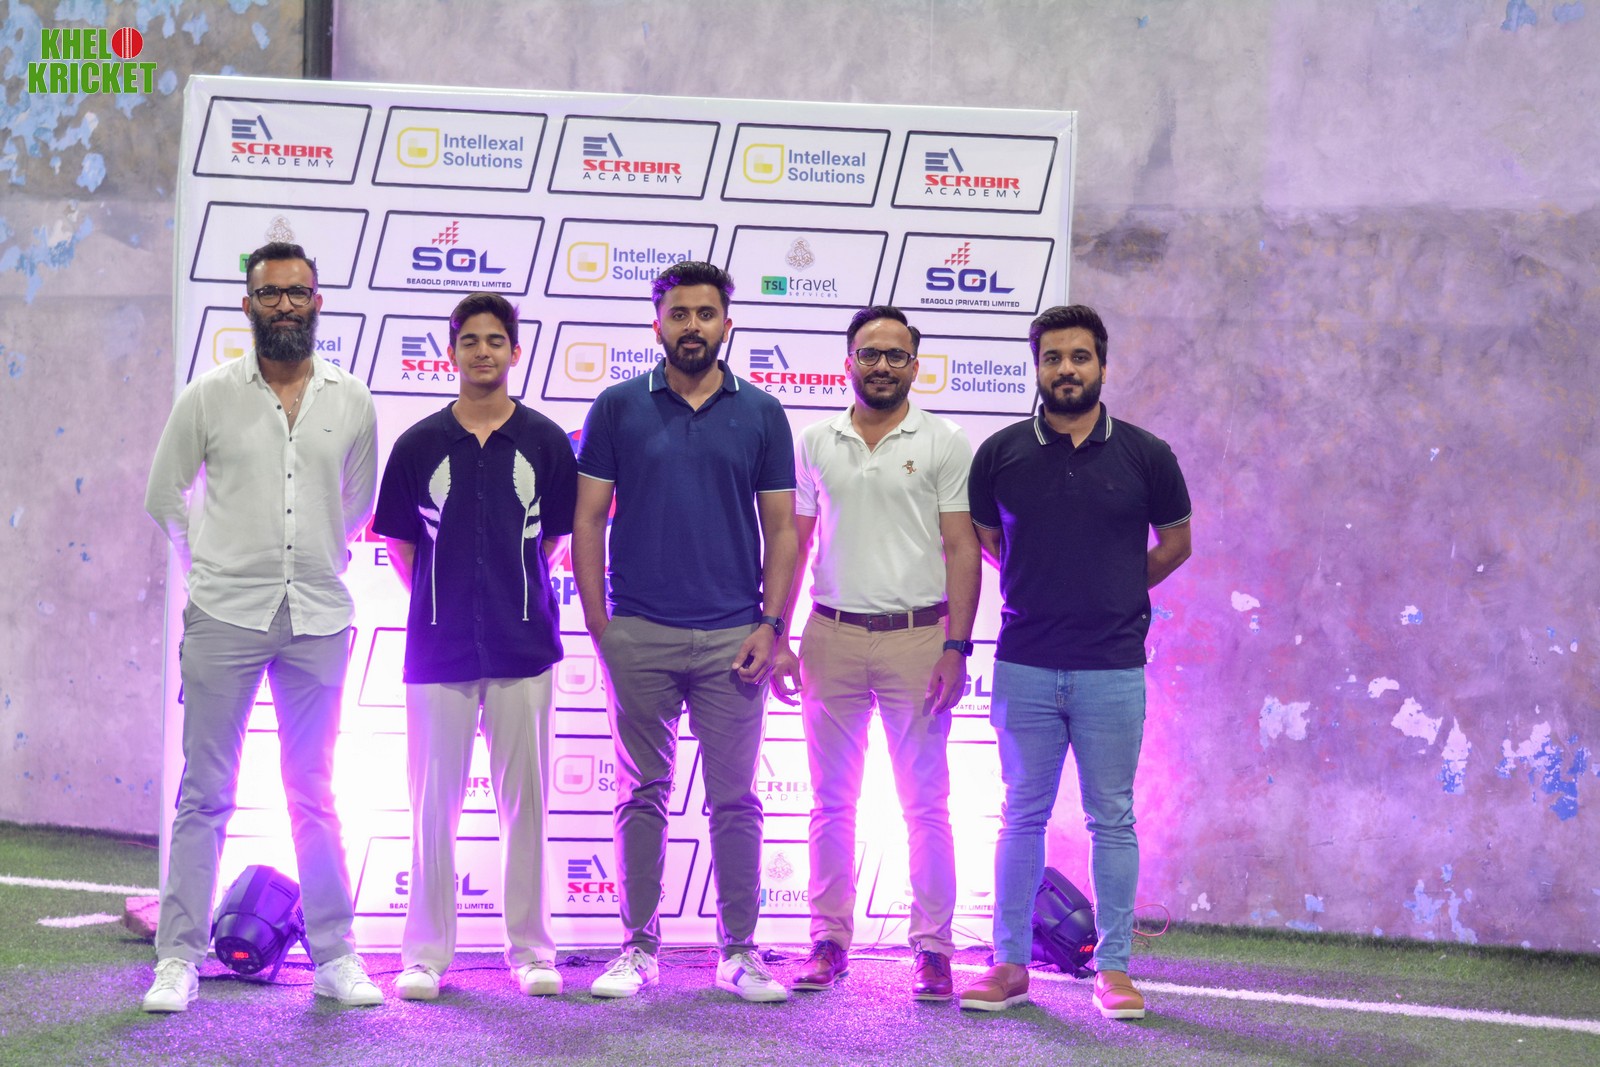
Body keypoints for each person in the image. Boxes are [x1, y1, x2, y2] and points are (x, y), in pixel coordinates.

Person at [141, 241, 381, 1012]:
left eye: (296, 292)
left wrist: (315, 558)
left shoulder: (352, 400)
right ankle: (177, 957)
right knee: (206, 791)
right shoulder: (209, 395)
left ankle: (336, 954)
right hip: (224, 616)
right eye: (269, 293)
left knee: (314, 791)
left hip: (317, 616)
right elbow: (164, 494)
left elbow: (358, 504)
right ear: (248, 305)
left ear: (317, 302)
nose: (284, 304)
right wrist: (207, 569)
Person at [572, 260, 798, 1003]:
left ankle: (740, 952)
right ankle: (637, 948)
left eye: (705, 314)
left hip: (736, 636)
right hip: (640, 632)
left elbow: (782, 530)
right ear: (658, 323)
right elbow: (587, 518)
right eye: (679, 314)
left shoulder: (762, 412)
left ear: (727, 324)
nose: (692, 326)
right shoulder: (617, 407)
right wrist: (602, 625)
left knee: (735, 800)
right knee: (641, 795)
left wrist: (772, 625)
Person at [958, 305, 1191, 1019]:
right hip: (1025, 662)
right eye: (1053, 357)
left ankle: (1113, 969)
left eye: (1079, 356)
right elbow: (988, 540)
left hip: (1111, 668)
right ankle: (1008, 964)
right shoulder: (999, 453)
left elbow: (1176, 544)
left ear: (1102, 365)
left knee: (1111, 818)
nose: (1066, 369)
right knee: (1020, 817)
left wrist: (1116, 588)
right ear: (1037, 367)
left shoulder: (1147, 454)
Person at [372, 293, 577, 1001]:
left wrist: (505, 600)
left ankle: (532, 950)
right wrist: (445, 602)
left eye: (495, 340)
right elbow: (402, 547)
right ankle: (425, 954)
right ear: (451, 351)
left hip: (526, 648)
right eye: (470, 340)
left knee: (528, 807)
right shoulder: (418, 444)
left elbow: (553, 542)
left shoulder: (546, 441)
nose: (482, 352)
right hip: (438, 650)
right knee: (433, 809)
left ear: (515, 352)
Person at [771, 305, 980, 1001]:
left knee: (926, 803)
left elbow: (962, 547)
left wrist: (956, 645)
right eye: (870, 353)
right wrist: (779, 634)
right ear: (849, 361)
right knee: (830, 801)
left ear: (915, 365)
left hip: (918, 638)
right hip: (829, 634)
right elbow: (796, 542)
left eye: (895, 355)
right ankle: (828, 939)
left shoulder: (944, 440)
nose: (882, 365)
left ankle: (934, 948)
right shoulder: (815, 440)